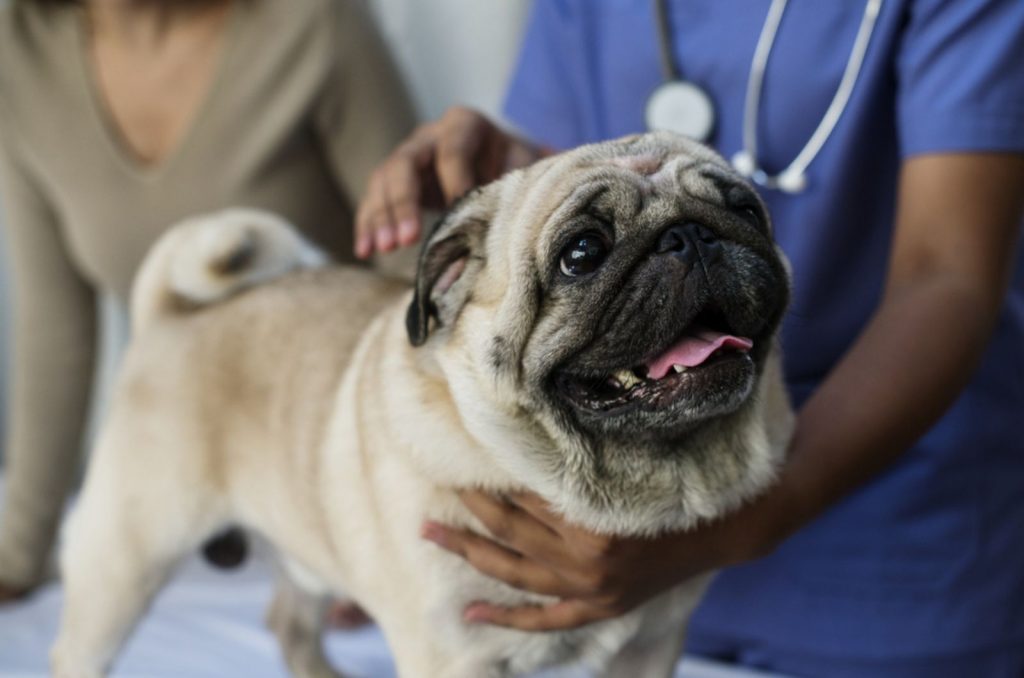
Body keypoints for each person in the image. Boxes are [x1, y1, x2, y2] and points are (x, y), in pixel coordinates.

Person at [355, 1, 1024, 675]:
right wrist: (515, 174)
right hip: (589, 573)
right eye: (585, 252)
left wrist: (749, 521)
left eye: (728, 212)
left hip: (890, 571)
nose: (684, 252)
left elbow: (948, 276)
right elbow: (574, 175)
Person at [0, 0, 415, 601]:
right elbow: (55, 325)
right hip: (185, 469)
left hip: (343, 479)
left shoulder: (314, 23)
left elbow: (421, 272)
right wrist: (19, 549)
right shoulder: (19, 51)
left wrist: (393, 528)